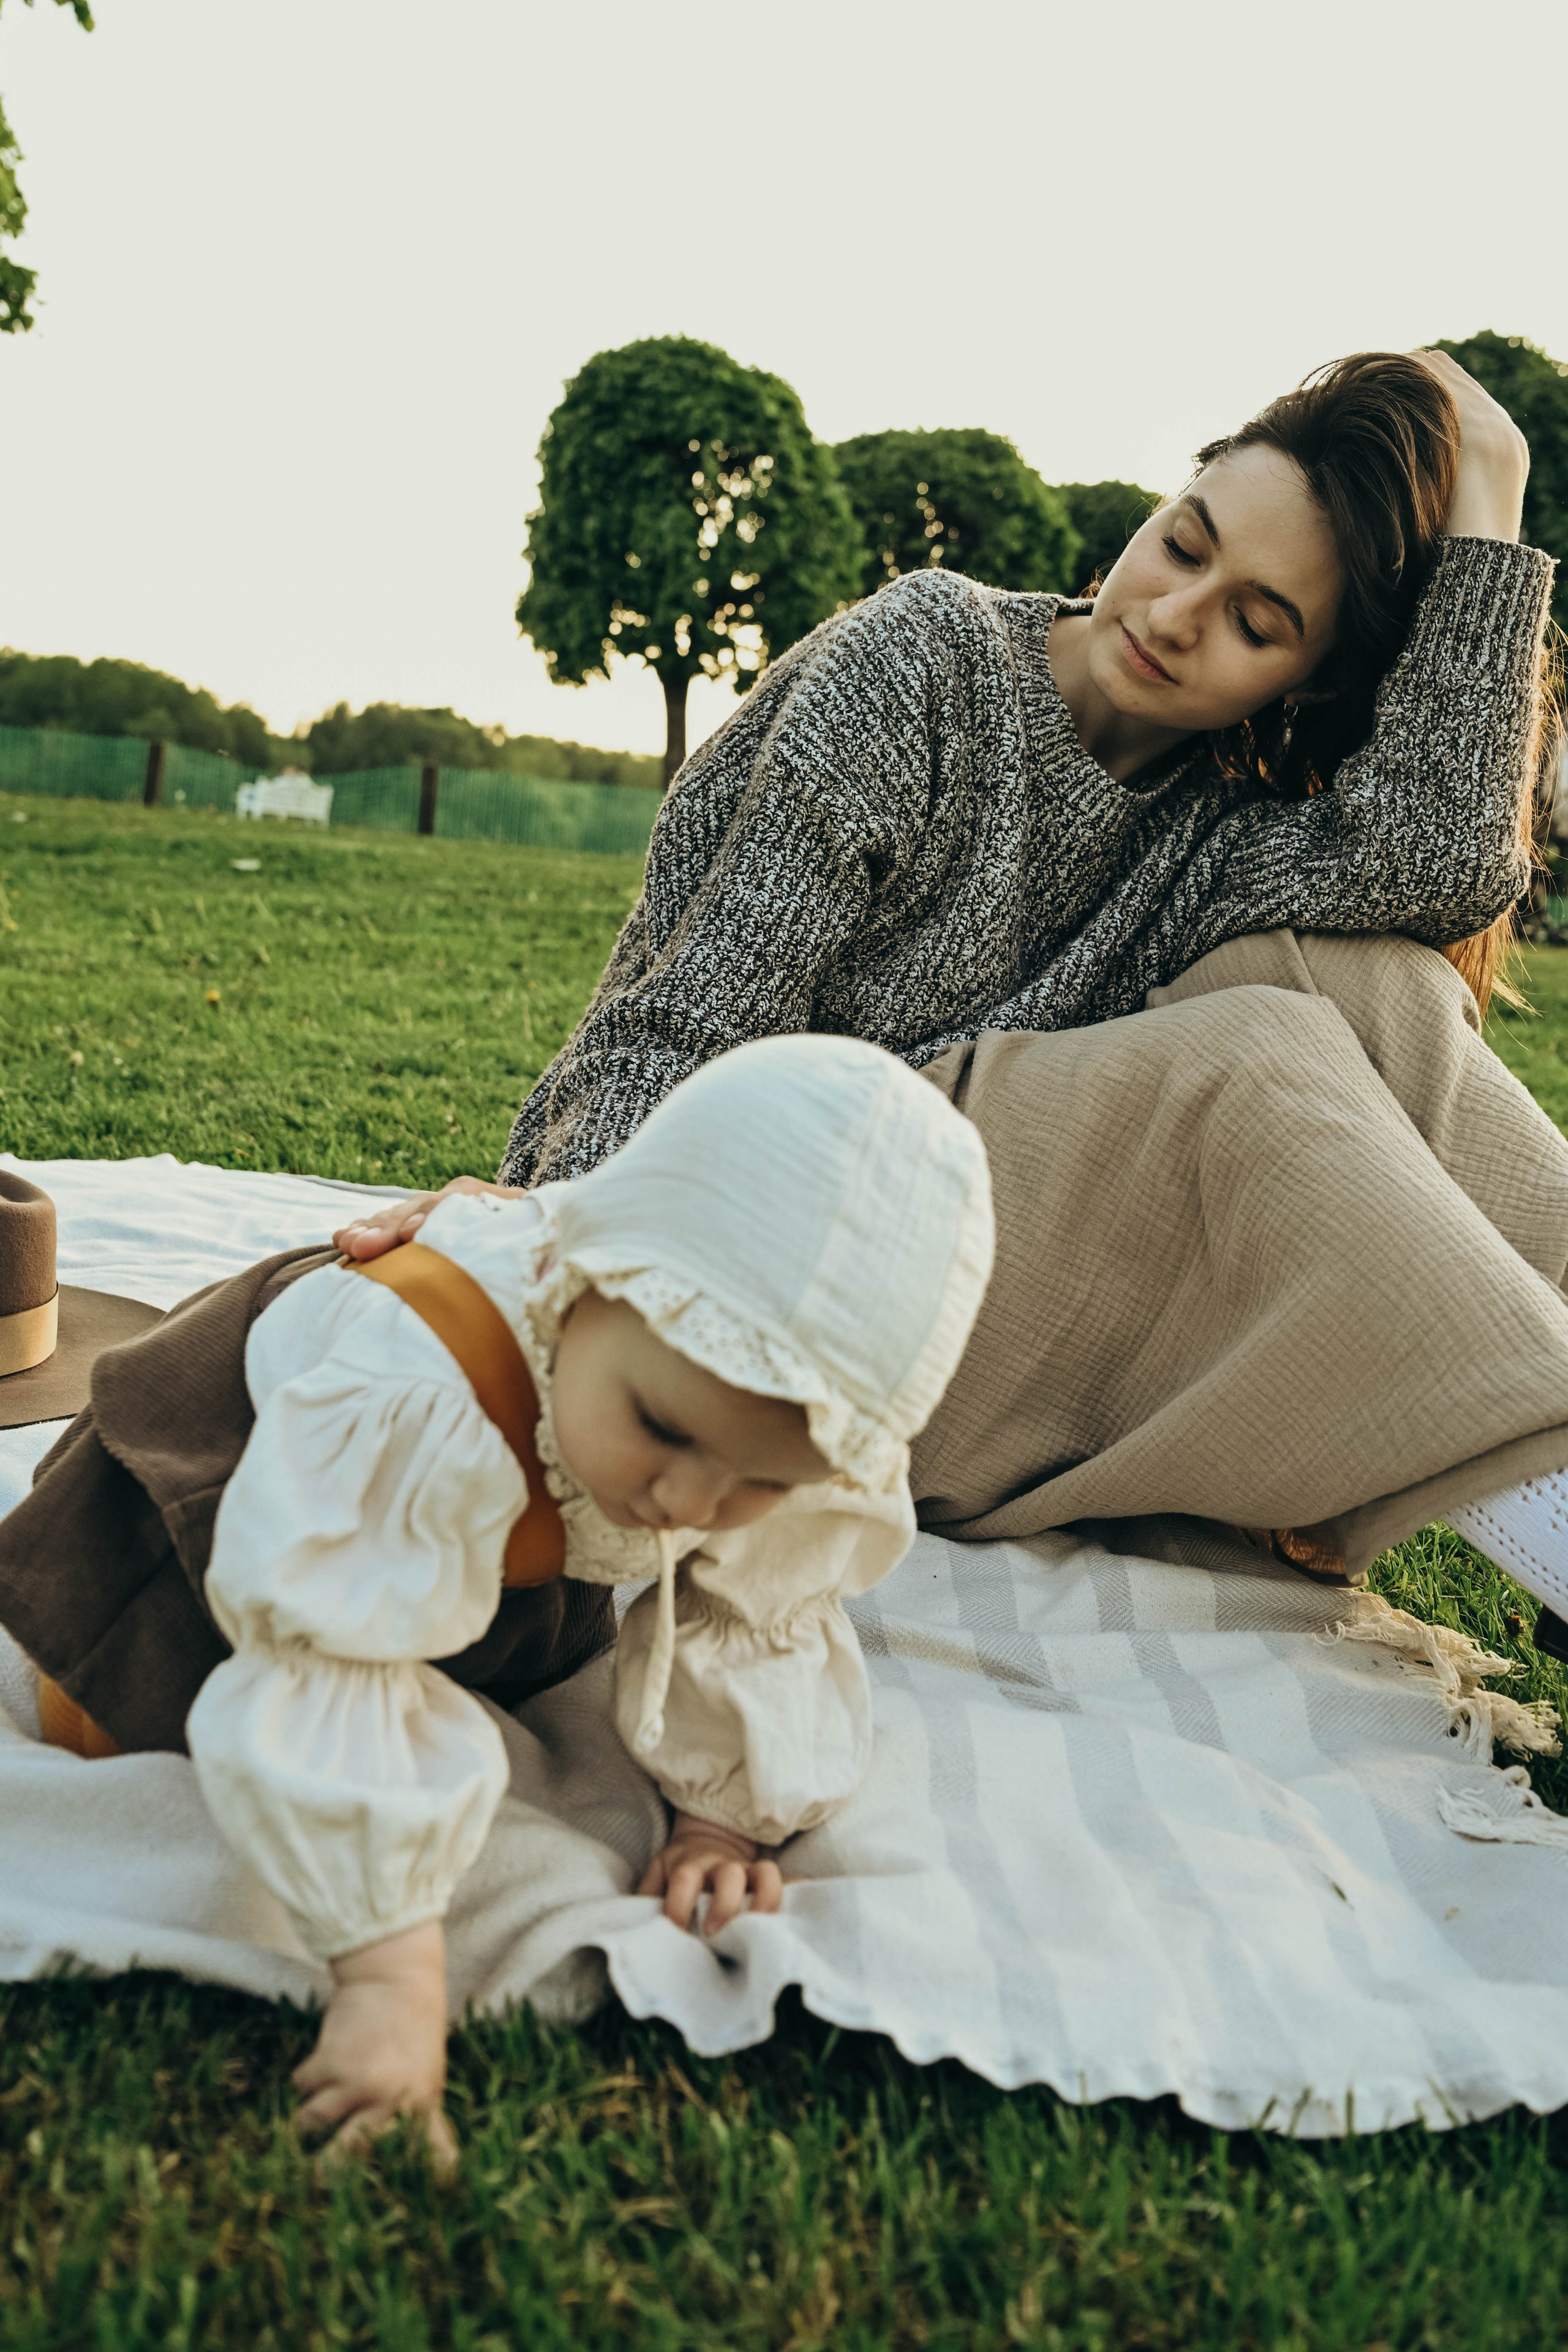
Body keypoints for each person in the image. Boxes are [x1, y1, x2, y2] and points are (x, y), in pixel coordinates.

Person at [337, 349, 1568, 1644]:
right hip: (766, 1283)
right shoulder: (922, 662)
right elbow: (688, 1012)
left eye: (1255, 623)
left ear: (1301, 681)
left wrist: (1491, 508)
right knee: (1257, 1052)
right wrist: (557, 1227)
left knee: (1373, 993)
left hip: (971, 1281)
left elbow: (1433, 860)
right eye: (1182, 544)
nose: (1171, 613)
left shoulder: (1213, 825)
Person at [0, 1037, 995, 2159]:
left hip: (492, 1543)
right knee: (163, 1720)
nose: (692, 1501)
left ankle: (481, 1603)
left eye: (762, 1478)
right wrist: (389, 1974)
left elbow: (766, 1591)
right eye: (664, 1430)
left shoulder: (722, 1434)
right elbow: (337, 1657)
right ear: (581, 1289)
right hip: (227, 1522)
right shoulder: (413, 1380)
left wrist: (722, 1808)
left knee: (560, 1580)